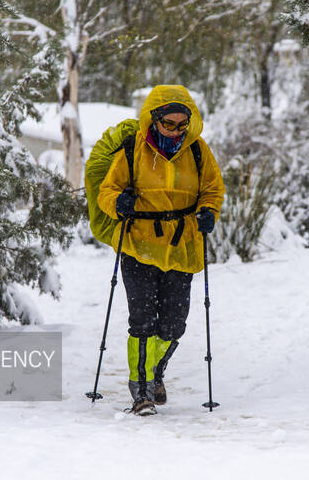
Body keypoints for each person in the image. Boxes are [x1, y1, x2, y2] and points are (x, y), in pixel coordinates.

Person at [98, 85, 225, 415]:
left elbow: (213, 188)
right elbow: (106, 191)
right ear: (153, 120)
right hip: (138, 245)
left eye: (182, 124)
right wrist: (117, 203)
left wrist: (209, 211)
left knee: (173, 325)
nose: (176, 130)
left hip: (181, 246)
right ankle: (140, 389)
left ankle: (155, 372)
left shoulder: (198, 151)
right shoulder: (133, 149)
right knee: (142, 321)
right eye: (169, 124)